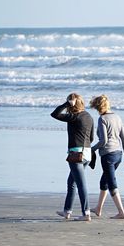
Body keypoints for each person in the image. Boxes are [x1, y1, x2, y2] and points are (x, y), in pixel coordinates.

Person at [51, 93, 94, 221]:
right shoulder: (89, 116)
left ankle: (86, 213)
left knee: (80, 184)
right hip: (87, 153)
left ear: (72, 103)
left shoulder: (73, 117)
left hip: (76, 155)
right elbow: (91, 138)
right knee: (72, 182)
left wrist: (66, 104)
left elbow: (55, 114)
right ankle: (67, 211)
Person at [89, 94, 124, 219]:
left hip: (107, 155)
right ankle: (98, 208)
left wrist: (91, 149)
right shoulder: (117, 117)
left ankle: (121, 212)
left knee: (112, 183)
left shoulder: (102, 119)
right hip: (118, 155)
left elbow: (103, 141)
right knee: (104, 181)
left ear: (98, 107)